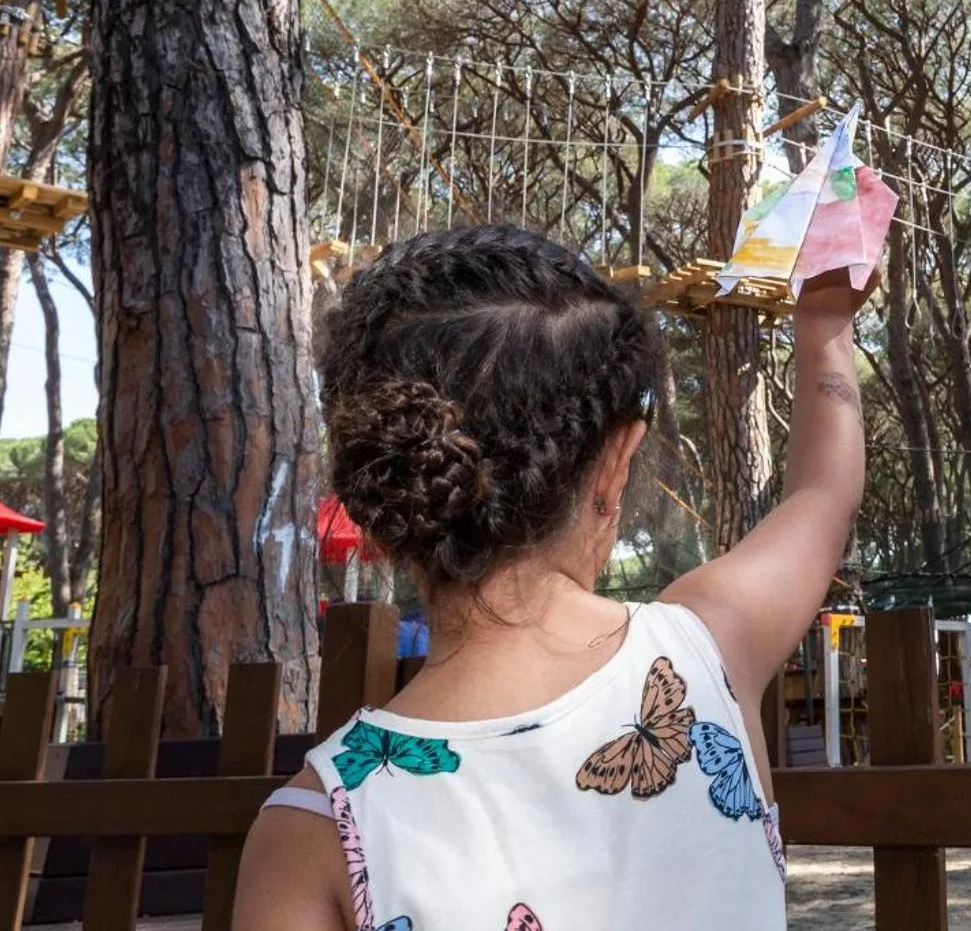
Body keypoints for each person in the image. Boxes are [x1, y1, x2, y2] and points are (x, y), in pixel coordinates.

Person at [233, 224, 869, 931]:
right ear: (616, 461)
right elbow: (823, 492)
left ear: (384, 489)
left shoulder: (311, 829)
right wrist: (825, 325)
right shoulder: (708, 648)